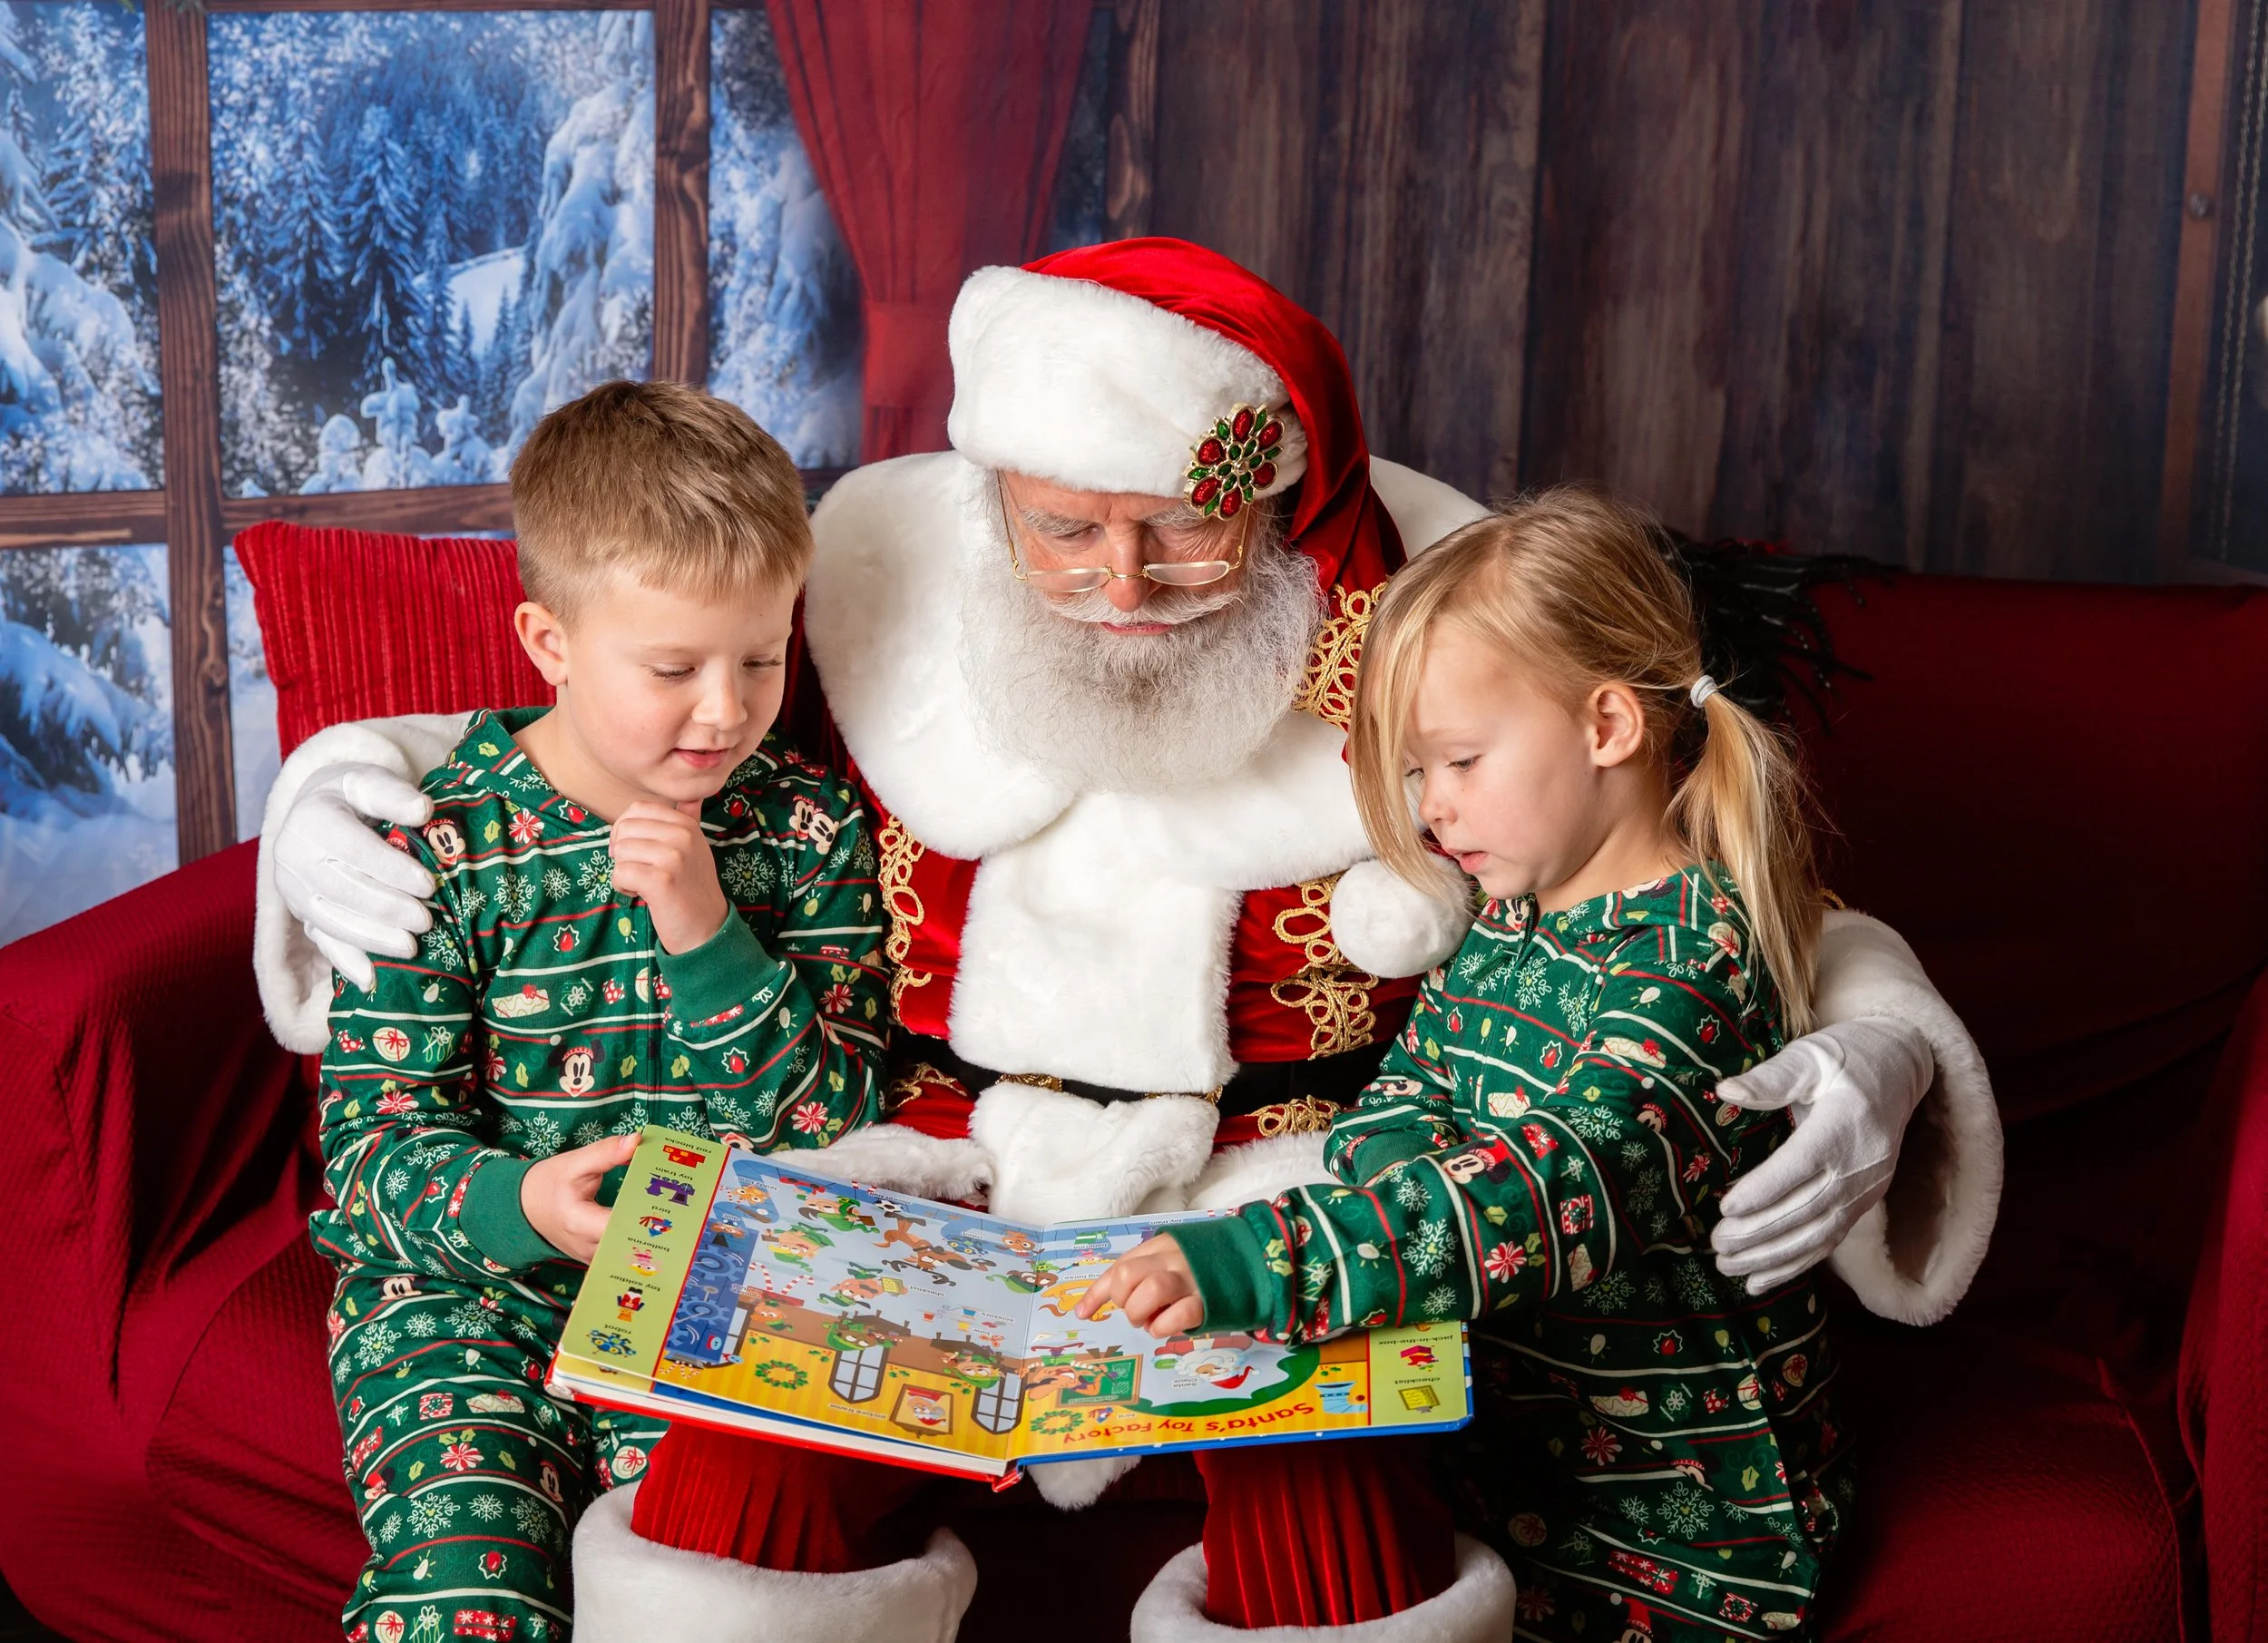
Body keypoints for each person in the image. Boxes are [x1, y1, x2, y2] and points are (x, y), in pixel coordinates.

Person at [257, 240, 1998, 1641]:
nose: (1118, 580)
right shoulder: (875, 608)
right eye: (1065, 525)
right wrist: (348, 774)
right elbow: (631, 714)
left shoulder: (1438, 647)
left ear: (1277, 508)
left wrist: (1884, 1039)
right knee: (745, 1455)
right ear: (989, 496)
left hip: (1292, 1191)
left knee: (1311, 1457)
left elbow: (1709, 875)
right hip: (939, 1169)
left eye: (1181, 526)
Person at [1086, 490, 1849, 1640]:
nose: (1434, 812)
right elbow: (1406, 1095)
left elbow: (1564, 1181)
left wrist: (1278, 1251)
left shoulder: (1694, 958)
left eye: (1458, 761)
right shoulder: (1515, 915)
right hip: (1515, 1464)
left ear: (1606, 727)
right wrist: (1395, 1186)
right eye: (1416, 774)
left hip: (1678, 1529)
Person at [313, 381, 889, 1643]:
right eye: (675, 667)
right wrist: (521, 1205)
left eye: (762, 657)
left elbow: (843, 1117)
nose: (728, 708)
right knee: (468, 1588)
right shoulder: (439, 846)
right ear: (551, 640)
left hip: (718, 1293)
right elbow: (366, 1160)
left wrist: (707, 932)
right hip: (468, 1297)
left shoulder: (804, 828)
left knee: (723, 1590)